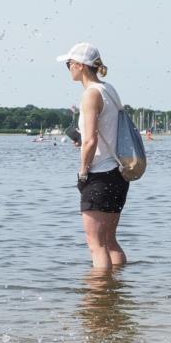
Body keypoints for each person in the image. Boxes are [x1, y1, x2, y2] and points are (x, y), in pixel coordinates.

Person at [57, 43, 128, 271]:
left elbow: (91, 141)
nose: (68, 69)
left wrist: (83, 171)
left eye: (69, 64)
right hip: (118, 173)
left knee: (96, 245)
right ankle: (117, 292)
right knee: (110, 241)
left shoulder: (90, 95)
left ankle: (99, 301)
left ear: (80, 65)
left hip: (99, 175)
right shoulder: (110, 90)